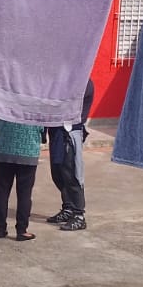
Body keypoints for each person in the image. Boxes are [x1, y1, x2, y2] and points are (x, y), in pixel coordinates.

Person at [46, 78, 94, 232]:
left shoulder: (83, 82)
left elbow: (66, 103)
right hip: (56, 133)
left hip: (70, 134)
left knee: (72, 175)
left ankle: (79, 215)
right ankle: (68, 208)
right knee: (57, 174)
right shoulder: (64, 80)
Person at [0, 117, 44, 241]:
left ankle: (0, 229)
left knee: (2, 191)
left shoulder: (5, 106)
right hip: (28, 151)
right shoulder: (36, 107)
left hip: (4, 150)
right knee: (24, 194)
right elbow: (42, 127)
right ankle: (21, 230)